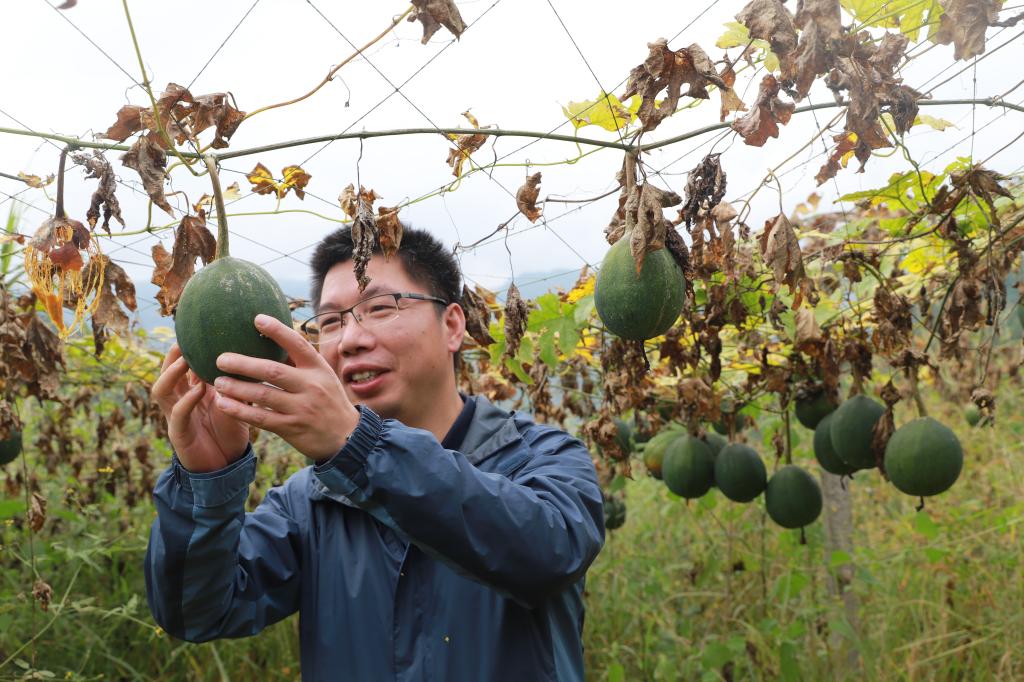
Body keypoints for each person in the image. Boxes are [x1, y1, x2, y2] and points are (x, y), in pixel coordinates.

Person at [145, 225, 605, 681]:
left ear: (452, 325)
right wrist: (208, 482)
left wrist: (360, 448)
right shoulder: (307, 503)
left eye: (381, 308)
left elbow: (548, 554)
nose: (350, 339)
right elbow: (197, 612)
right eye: (330, 322)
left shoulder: (542, 459)